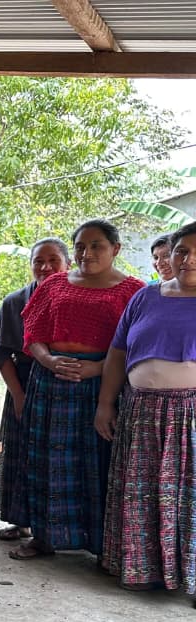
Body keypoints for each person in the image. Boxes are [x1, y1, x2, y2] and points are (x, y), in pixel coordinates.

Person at [10, 219, 145, 560]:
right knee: (45, 459)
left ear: (116, 249)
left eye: (97, 245)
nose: (87, 253)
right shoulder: (54, 284)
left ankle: (101, 546)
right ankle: (43, 537)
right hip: (49, 383)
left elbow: (135, 346)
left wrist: (98, 368)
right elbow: (33, 334)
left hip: (103, 384)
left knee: (97, 461)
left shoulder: (134, 291)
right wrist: (49, 361)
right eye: (81, 247)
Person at [97, 222, 196, 601]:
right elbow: (117, 353)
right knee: (141, 493)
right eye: (182, 250)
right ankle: (142, 569)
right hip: (140, 411)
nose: (188, 260)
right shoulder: (145, 297)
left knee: (189, 497)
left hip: (190, 415)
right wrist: (105, 403)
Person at [0, 238, 71, 541]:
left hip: (68, 384)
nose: (46, 267)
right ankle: (20, 519)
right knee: (22, 452)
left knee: (59, 458)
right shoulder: (15, 301)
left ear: (68, 264)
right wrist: (19, 396)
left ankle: (60, 528)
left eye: (53, 260)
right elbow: (1, 354)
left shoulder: (80, 299)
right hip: (24, 382)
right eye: (38, 261)